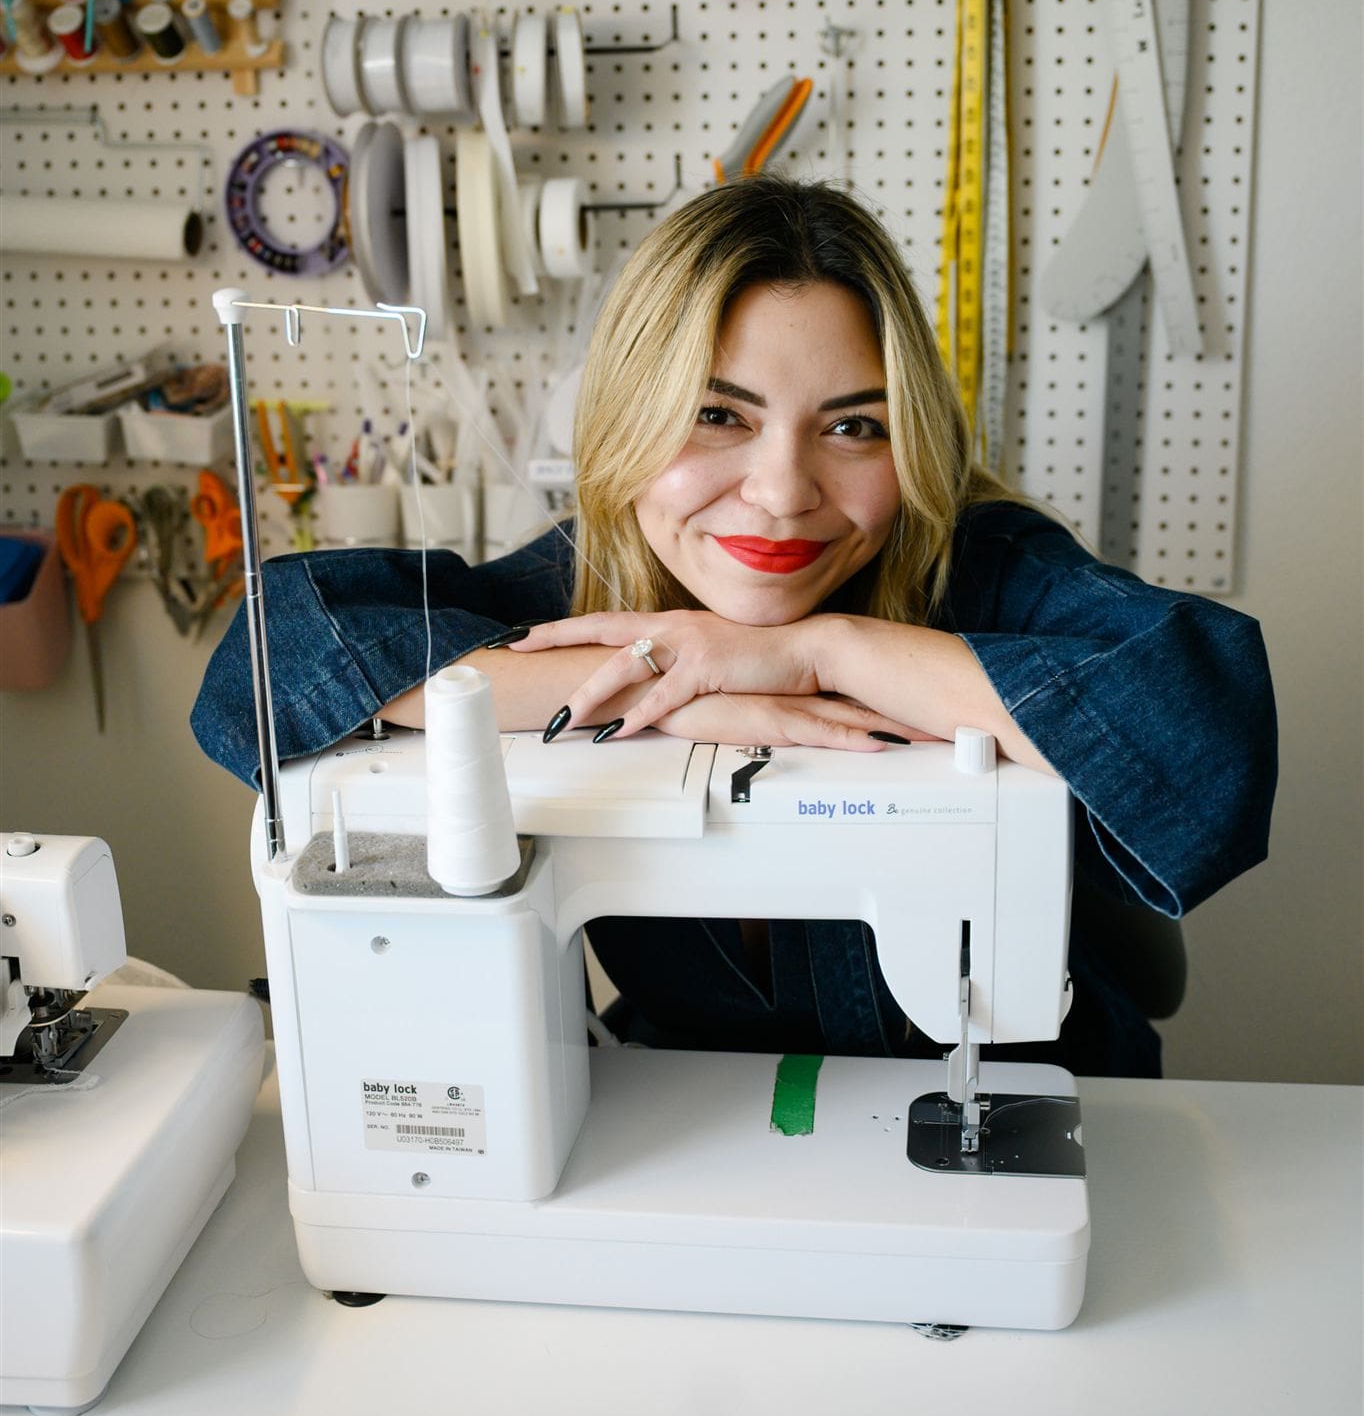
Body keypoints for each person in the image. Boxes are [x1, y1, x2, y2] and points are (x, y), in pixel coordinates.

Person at [192, 176, 1276, 1074]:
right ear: (630, 419)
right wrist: (658, 678)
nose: (782, 492)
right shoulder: (587, 581)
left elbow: (1205, 723)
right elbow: (272, 650)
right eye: (718, 415)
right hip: (685, 1098)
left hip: (1049, 1089)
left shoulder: (980, 564)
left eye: (853, 427)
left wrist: (818, 651)